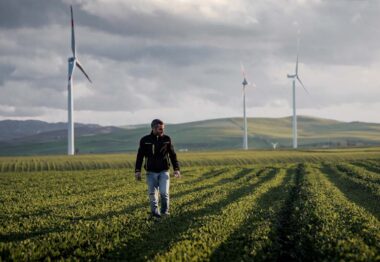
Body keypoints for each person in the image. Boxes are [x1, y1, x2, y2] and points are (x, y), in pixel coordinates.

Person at [135, 119, 181, 218]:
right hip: (150, 172)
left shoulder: (167, 139)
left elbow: (173, 155)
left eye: (163, 128)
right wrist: (137, 171)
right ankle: (155, 214)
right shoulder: (145, 140)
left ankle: (165, 213)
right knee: (152, 195)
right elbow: (140, 156)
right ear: (154, 128)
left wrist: (176, 169)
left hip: (164, 171)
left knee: (164, 193)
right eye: (160, 129)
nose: (162, 131)